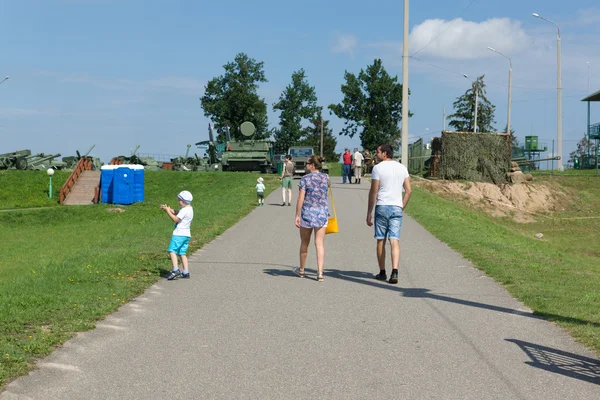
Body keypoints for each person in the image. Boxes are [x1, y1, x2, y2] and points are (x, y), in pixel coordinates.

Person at [366, 144, 412, 284]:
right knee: (394, 240)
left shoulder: (377, 168)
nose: (376, 154)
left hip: (382, 206)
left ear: (385, 153)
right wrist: (401, 206)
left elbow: (374, 191)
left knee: (381, 239)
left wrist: (369, 212)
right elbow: (409, 190)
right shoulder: (402, 167)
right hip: (396, 206)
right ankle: (395, 271)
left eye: (378, 152)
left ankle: (382, 272)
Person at [293, 156, 330, 282]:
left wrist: (297, 215)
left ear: (313, 165)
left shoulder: (305, 179)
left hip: (307, 214)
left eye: (307, 163)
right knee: (319, 244)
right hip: (322, 213)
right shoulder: (326, 178)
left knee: (304, 243)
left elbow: (300, 198)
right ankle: (320, 272)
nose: (306, 165)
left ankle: (302, 269)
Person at [161, 190, 194, 280]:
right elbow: (177, 212)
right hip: (186, 235)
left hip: (179, 234)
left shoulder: (184, 210)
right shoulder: (189, 209)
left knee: (172, 251)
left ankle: (175, 270)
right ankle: (185, 272)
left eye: (179, 200)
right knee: (182, 253)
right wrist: (169, 209)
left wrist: (168, 211)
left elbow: (176, 219)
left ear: (183, 201)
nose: (178, 202)